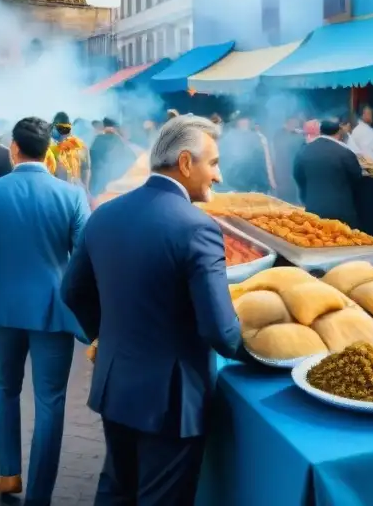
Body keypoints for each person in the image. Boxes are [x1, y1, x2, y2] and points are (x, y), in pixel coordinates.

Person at [61, 115, 248, 505]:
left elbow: (72, 291)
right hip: (171, 401)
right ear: (184, 163)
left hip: (117, 383)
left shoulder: (106, 213)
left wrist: (107, 334)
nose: (218, 175)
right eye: (213, 163)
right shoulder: (197, 227)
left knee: (117, 488)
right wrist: (266, 353)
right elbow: (220, 330)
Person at [0, 117, 90, 501]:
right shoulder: (72, 195)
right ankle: (40, 494)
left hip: (5, 306)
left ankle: (9, 474)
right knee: (50, 401)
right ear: (48, 151)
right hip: (55, 309)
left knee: (6, 386)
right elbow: (84, 261)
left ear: (14, 148)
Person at [293, 117, 362, 228]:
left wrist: (306, 196)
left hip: (313, 209)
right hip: (341, 211)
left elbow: (298, 176)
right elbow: (357, 176)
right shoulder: (345, 153)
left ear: (320, 131)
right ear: (338, 133)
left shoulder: (304, 151)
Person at [89, 118, 136, 196]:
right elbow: (131, 158)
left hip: (98, 183)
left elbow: (91, 158)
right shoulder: (118, 140)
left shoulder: (98, 139)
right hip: (112, 184)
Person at [47, 111, 91, 192]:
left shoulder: (79, 146)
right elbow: (86, 169)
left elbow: (86, 169)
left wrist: (86, 188)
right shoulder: (81, 145)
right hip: (67, 189)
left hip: (66, 189)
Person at [271, 115, 305, 204]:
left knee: (294, 194)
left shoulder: (299, 136)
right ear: (286, 124)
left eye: (295, 124)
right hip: (282, 170)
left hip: (293, 169)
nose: (294, 126)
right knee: (283, 195)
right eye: (292, 123)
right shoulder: (279, 135)